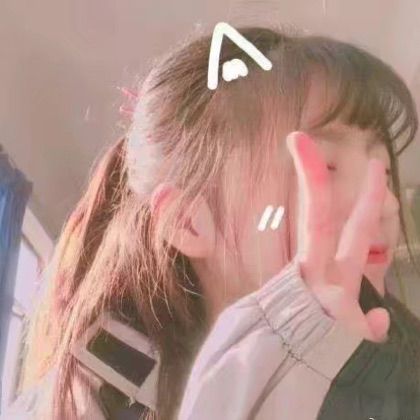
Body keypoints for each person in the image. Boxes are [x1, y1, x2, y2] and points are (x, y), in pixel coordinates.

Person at [3, 24, 420, 420]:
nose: (385, 204)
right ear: (188, 220)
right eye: (328, 167)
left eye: (384, 174)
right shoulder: (74, 403)